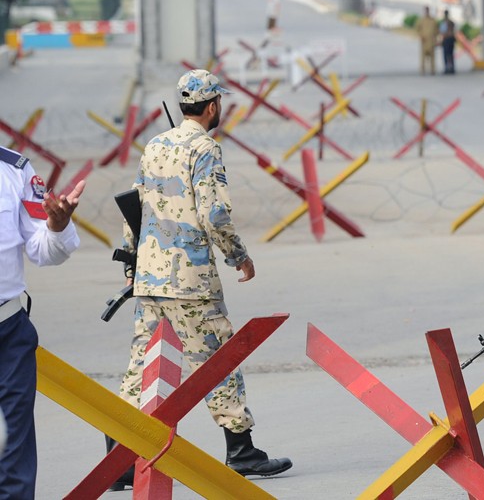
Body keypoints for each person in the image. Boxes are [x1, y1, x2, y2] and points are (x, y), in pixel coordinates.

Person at [112, 69, 291, 489]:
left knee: (140, 368)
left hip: (150, 277)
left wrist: (132, 265)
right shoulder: (206, 148)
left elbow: (134, 208)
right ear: (212, 106)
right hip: (189, 280)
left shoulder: (155, 145)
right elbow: (214, 213)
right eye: (220, 102)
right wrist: (239, 256)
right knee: (218, 362)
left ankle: (118, 463)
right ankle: (241, 451)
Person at [0, 146, 84, 497]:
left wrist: (56, 227)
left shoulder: (13, 169)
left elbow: (42, 249)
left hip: (7, 333)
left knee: (12, 456)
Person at [414, 6, 440, 75]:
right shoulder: (421, 20)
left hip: (431, 41)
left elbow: (437, 30)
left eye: (427, 10)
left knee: (432, 57)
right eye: (426, 10)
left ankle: (432, 70)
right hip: (424, 41)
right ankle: (422, 70)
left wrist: (436, 38)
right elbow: (417, 29)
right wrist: (421, 36)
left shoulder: (433, 20)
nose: (427, 12)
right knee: (423, 57)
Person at [440, 9, 456, 75]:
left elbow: (442, 32)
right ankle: (451, 68)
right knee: (450, 55)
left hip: (447, 40)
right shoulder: (451, 22)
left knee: (446, 55)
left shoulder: (444, 23)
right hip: (451, 40)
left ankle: (447, 68)